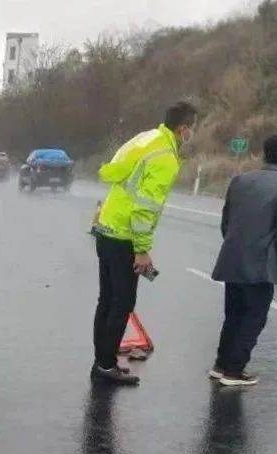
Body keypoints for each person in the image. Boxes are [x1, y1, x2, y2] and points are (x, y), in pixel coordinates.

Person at [91, 101, 199, 386]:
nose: (192, 134)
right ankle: (105, 366)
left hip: (107, 226)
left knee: (107, 300)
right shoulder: (165, 158)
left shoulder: (146, 139)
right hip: (125, 236)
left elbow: (114, 173)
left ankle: (102, 362)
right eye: (192, 129)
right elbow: (144, 208)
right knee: (122, 303)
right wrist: (141, 249)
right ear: (183, 129)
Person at [209, 134, 277, 387]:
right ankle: (234, 370)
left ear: (264, 152)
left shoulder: (240, 180)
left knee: (233, 314)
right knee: (254, 317)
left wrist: (233, 245)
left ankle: (221, 364)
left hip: (232, 257)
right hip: (260, 263)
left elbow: (226, 220)